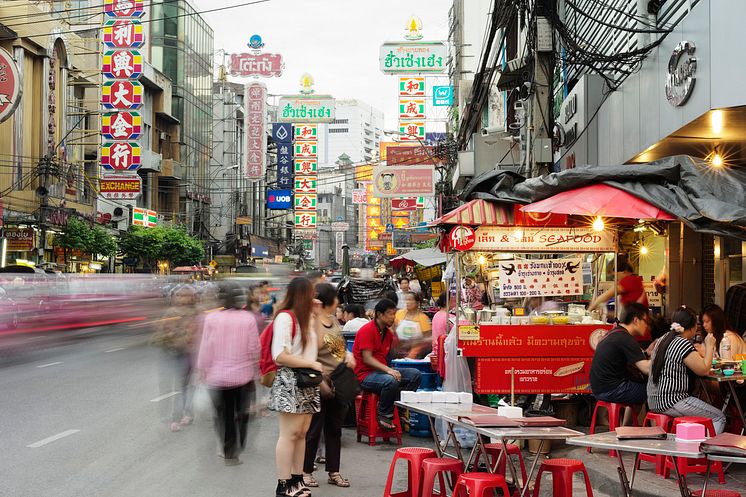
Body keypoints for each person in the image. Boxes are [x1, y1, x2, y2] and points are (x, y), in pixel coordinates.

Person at [269, 277, 322, 497]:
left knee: (301, 434)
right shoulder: (285, 318)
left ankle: (297, 479)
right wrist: (310, 363)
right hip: (291, 380)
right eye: (311, 293)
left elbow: (317, 345)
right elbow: (280, 355)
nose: (315, 298)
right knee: (289, 434)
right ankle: (284, 484)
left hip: (308, 380)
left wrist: (317, 317)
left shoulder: (306, 317)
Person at [196, 282, 260, 465]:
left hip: (217, 378)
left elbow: (206, 347)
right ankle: (240, 442)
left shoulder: (212, 319)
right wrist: (257, 367)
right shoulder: (248, 319)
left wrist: (201, 370)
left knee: (223, 415)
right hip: (243, 377)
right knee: (241, 413)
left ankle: (229, 451)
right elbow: (254, 347)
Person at [303, 284, 355, 489]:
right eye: (336, 298)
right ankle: (306, 471)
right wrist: (320, 380)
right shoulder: (312, 322)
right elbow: (310, 353)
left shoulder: (333, 320)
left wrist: (347, 356)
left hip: (339, 380)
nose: (339, 302)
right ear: (328, 300)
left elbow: (338, 348)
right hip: (319, 381)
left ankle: (334, 471)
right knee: (314, 430)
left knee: (334, 429)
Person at [647, 306, 726, 434]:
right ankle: (704, 451)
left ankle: (693, 443)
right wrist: (710, 346)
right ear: (691, 327)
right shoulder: (682, 343)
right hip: (673, 401)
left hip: (654, 400)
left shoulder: (663, 339)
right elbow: (704, 370)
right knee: (719, 417)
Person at [353, 298, 421, 430]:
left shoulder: (387, 334)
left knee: (415, 375)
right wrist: (389, 370)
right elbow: (367, 359)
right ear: (379, 314)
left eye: (394, 314)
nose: (393, 317)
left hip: (381, 372)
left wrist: (414, 344)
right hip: (365, 375)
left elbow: (394, 353)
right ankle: (384, 413)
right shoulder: (367, 330)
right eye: (390, 314)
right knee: (390, 380)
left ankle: (398, 407)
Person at [152, 285, 199, 432]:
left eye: (187, 295)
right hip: (170, 352)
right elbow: (161, 331)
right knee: (171, 386)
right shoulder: (170, 312)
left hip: (187, 353)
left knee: (184, 387)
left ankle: (179, 416)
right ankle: (176, 416)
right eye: (180, 295)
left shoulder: (196, 312)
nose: (183, 298)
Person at [590, 303, 651, 406]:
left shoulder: (616, 333)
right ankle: (657, 422)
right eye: (646, 321)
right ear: (636, 320)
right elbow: (647, 369)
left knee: (639, 386)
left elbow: (637, 356)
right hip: (612, 390)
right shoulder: (625, 338)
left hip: (600, 389)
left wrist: (646, 353)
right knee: (655, 392)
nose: (647, 326)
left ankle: (628, 422)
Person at [431, 292, 453, 362]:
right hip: (445, 352)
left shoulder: (436, 315)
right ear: (446, 302)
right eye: (453, 299)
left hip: (436, 351)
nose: (455, 301)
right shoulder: (450, 317)